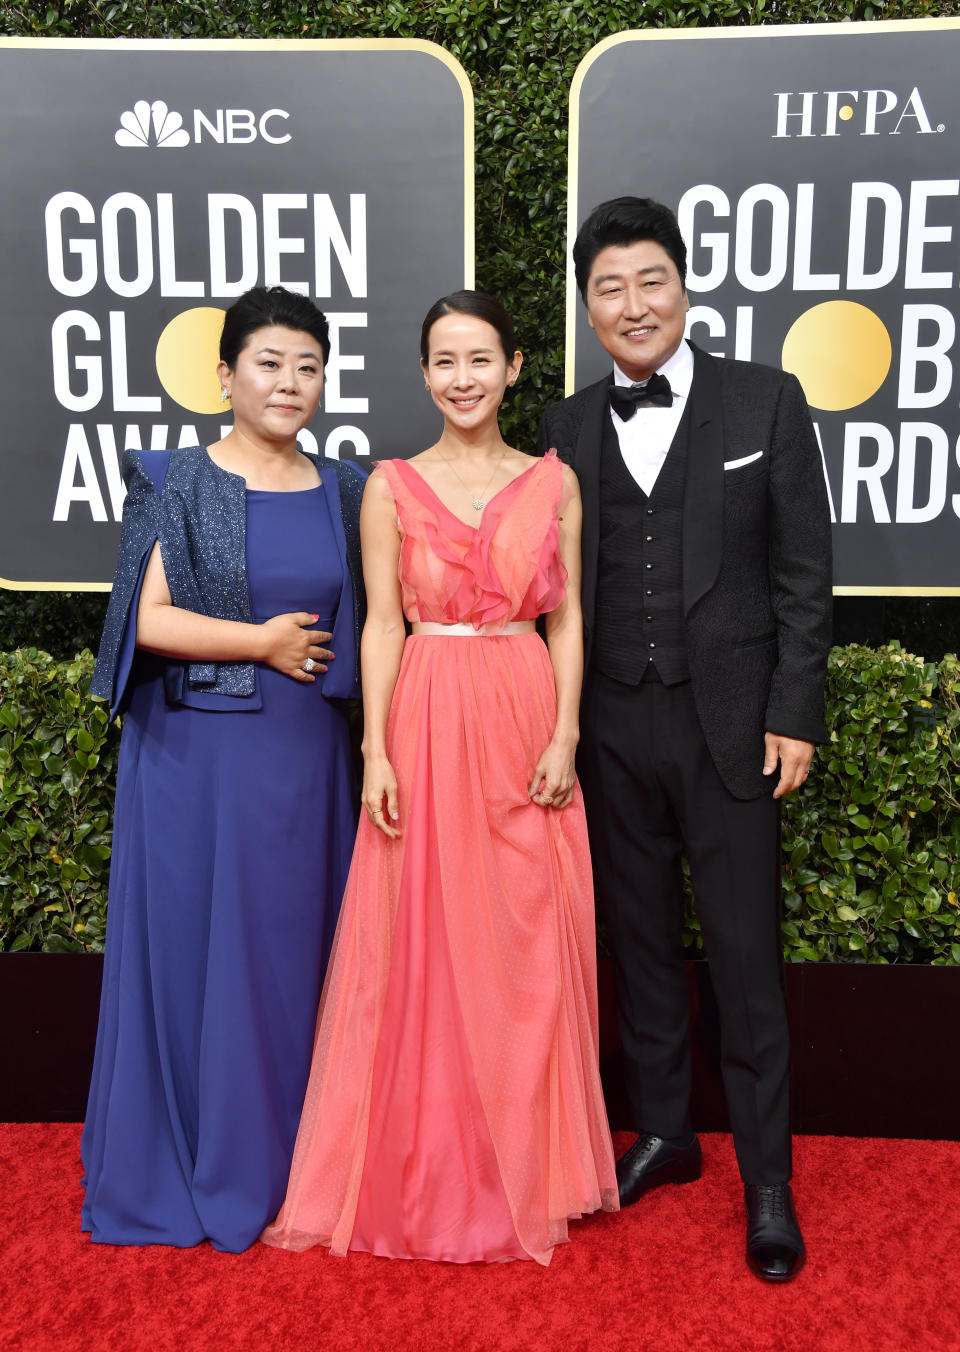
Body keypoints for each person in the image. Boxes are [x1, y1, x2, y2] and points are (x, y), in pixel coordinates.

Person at [262, 290, 617, 1264]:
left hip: (520, 711)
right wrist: (376, 747)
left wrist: (565, 732)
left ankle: (525, 1163)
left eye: (480, 358)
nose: (462, 377)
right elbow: (381, 622)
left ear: (511, 370)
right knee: (419, 941)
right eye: (444, 360)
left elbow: (569, 617)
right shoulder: (389, 485)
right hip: (423, 712)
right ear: (424, 375)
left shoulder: (554, 482)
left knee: (524, 939)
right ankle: (430, 1161)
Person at [538, 197, 832, 1283]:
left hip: (733, 726)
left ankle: (768, 1179)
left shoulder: (766, 398)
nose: (631, 304)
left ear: (685, 284)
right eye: (608, 289)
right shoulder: (566, 428)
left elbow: (805, 571)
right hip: (613, 718)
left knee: (747, 955)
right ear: (589, 309)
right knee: (640, 942)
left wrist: (794, 708)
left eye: (649, 280)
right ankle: (666, 1126)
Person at [82, 285, 366, 1252]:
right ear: (226, 375)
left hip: (307, 762)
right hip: (197, 760)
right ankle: (203, 1157)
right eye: (270, 363)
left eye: (309, 366)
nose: (291, 383)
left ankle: (301, 1163)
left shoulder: (346, 486)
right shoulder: (176, 476)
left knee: (295, 958)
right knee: (206, 957)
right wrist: (260, 643)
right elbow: (142, 622)